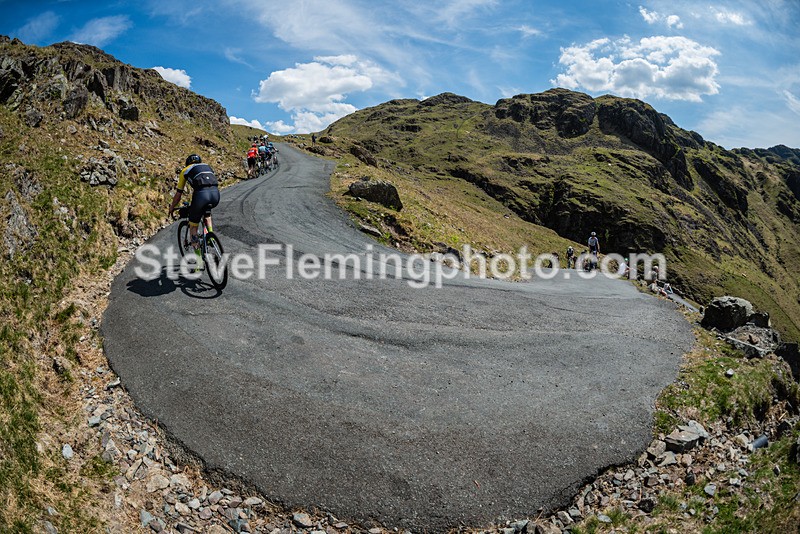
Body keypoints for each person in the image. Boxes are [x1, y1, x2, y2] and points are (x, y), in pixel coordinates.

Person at [168, 154, 220, 258]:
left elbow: (178, 194)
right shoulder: (207, 166)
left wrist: (172, 207)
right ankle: (210, 235)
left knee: (193, 227)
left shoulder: (185, 170)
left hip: (201, 195)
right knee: (207, 213)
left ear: (187, 163)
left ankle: (199, 262)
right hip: (216, 194)